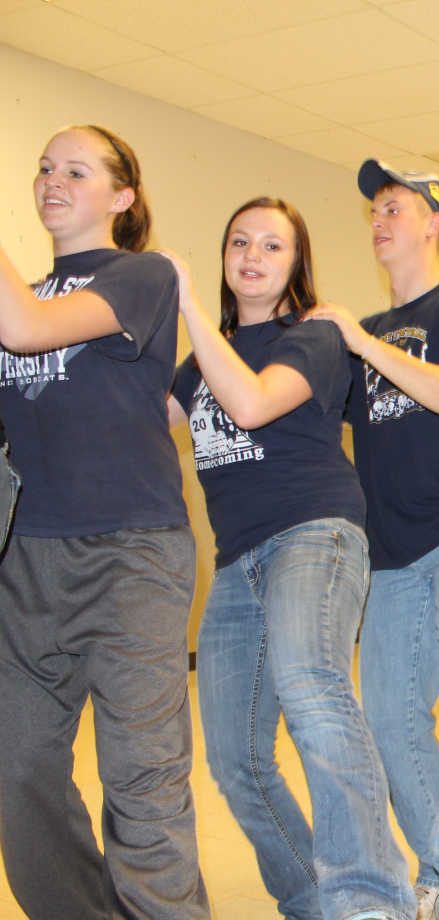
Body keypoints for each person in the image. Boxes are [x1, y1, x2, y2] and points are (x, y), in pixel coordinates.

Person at [167, 197, 414, 920]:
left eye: (272, 246)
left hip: (315, 535)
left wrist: (184, 310)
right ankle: (311, 901)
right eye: (239, 241)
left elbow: (247, 404)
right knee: (236, 760)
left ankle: (371, 901)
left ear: (296, 265)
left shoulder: (311, 339)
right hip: (237, 559)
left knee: (312, 689)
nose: (252, 256)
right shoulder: (198, 359)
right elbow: (139, 422)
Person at [0, 125, 210, 917]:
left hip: (132, 555)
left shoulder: (142, 274)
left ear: (122, 196)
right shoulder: (20, 291)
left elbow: (24, 331)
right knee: (17, 772)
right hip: (26, 562)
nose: (52, 180)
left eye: (76, 171)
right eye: (45, 168)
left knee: (142, 779)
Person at [306, 161, 439, 920]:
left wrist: (364, 345)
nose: (380, 220)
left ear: (434, 221)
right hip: (387, 547)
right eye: (373, 211)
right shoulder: (363, 338)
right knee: (389, 714)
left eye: (394, 206)